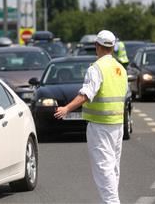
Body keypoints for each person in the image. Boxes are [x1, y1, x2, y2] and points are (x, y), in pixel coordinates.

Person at [54, 30, 128, 204]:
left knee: (104, 169)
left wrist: (67, 108)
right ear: (112, 47)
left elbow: (86, 93)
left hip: (100, 126)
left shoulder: (97, 68)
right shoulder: (120, 69)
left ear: (97, 46)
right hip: (117, 124)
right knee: (113, 169)